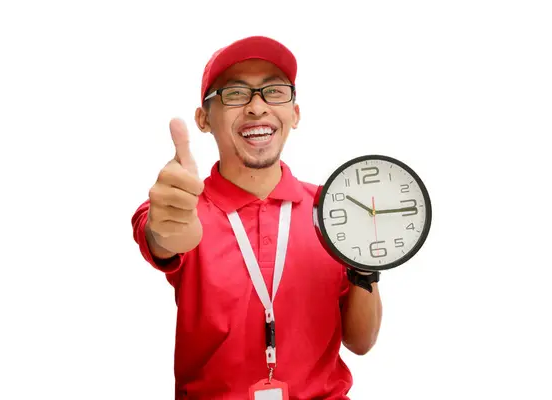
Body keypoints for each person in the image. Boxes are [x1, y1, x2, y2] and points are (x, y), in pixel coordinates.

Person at [131, 35, 383, 399]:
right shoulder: (180, 204)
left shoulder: (333, 210)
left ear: (294, 113)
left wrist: (367, 260)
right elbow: (159, 233)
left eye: (274, 92)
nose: (257, 107)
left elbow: (360, 342)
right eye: (235, 94)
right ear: (204, 119)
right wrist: (163, 231)